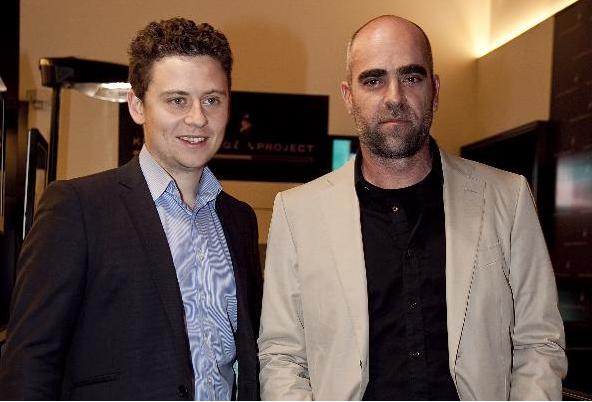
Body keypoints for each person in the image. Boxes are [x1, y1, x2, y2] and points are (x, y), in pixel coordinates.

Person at [258, 15, 567, 400]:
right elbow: (282, 355)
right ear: (348, 96)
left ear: (434, 90)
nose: (394, 97)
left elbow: (540, 341)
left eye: (411, 77)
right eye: (373, 80)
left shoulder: (508, 197)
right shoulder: (297, 213)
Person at [0, 17, 262, 400]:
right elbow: (29, 363)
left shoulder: (240, 220)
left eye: (212, 100)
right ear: (137, 106)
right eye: (177, 100)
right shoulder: (77, 208)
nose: (198, 118)